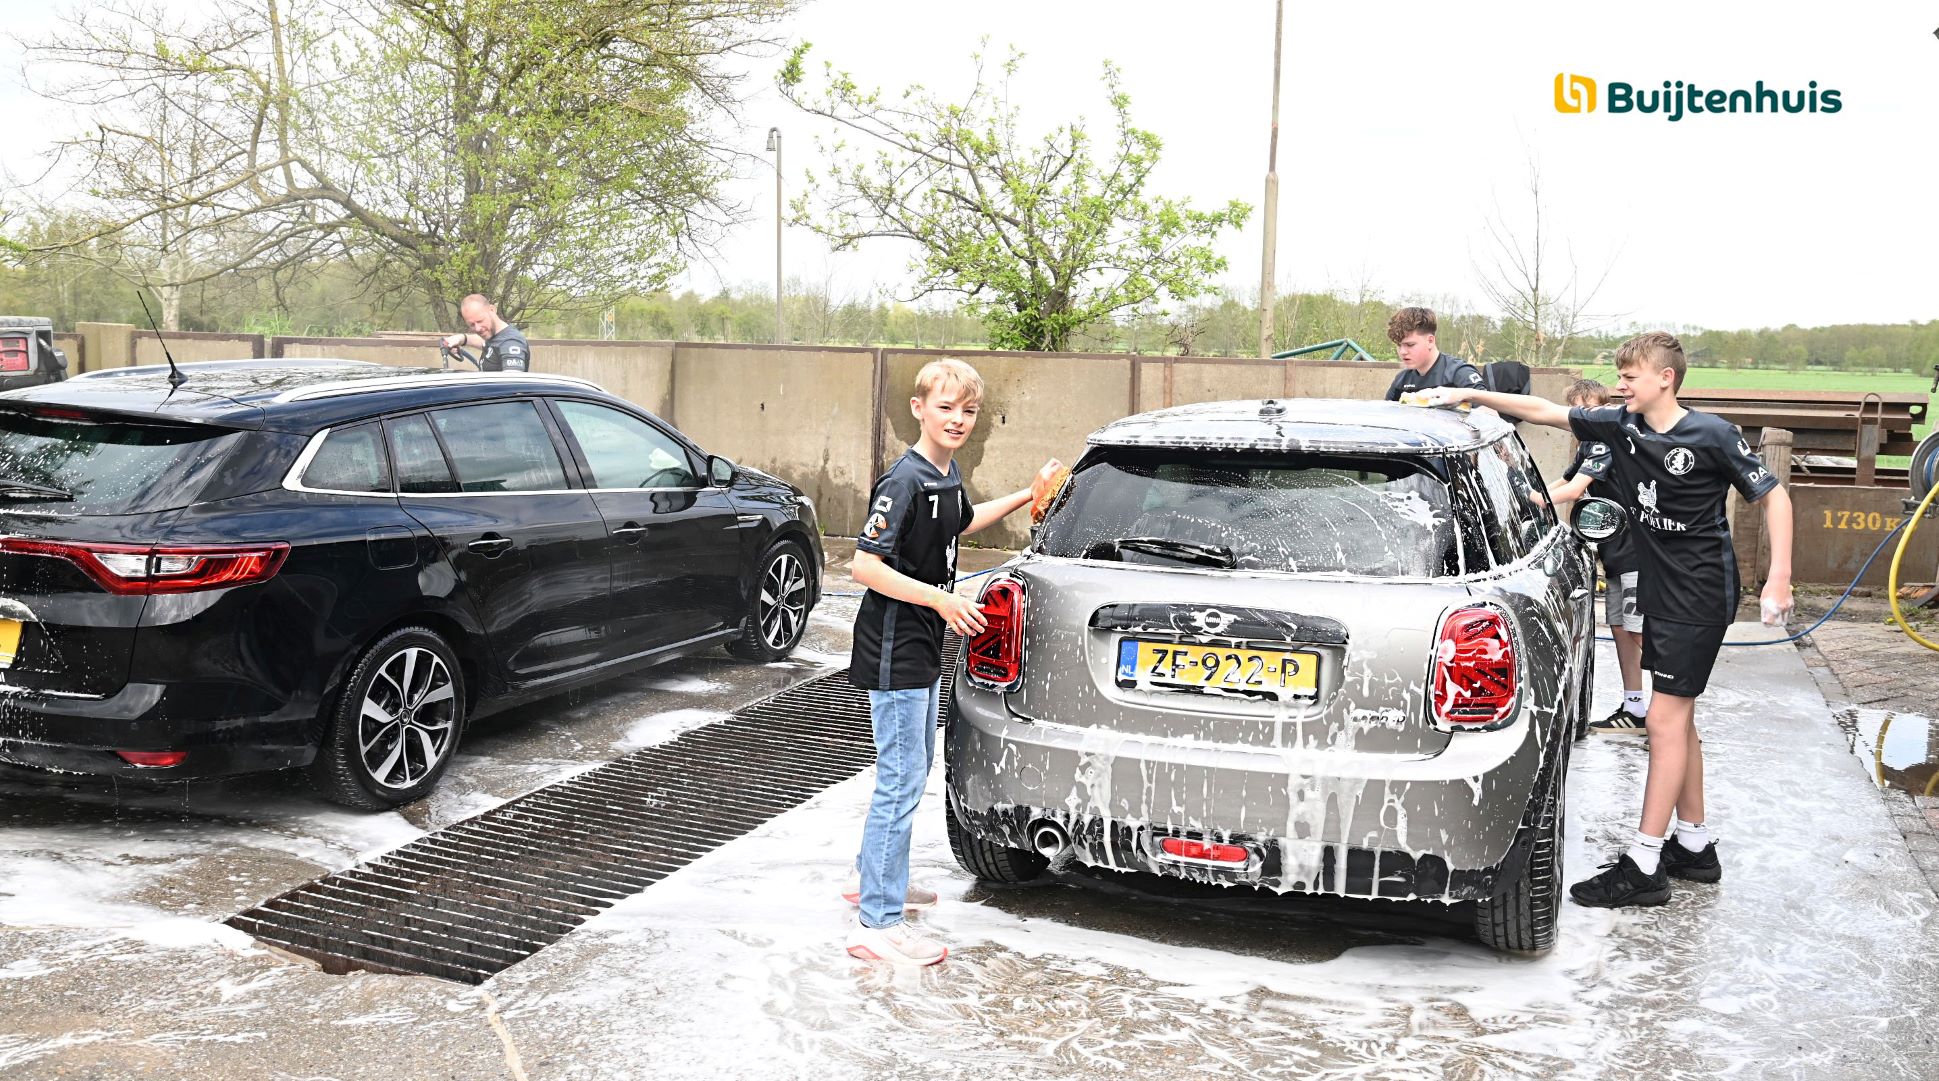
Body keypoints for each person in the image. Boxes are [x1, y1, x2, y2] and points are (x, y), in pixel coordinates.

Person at [1423, 331, 1793, 908]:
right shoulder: (1622, 425)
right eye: (1620, 375)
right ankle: (1694, 847)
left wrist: (1780, 579)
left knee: (1665, 724)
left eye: (1632, 375)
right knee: (1680, 720)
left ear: (1665, 378)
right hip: (1662, 591)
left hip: (1699, 596)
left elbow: (1774, 497)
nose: (1621, 384)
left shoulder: (1712, 434)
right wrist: (1473, 398)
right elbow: (1545, 411)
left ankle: (1644, 864)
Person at [844, 358, 1061, 966]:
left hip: (921, 641)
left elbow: (961, 522)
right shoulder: (904, 481)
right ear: (919, 409)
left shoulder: (945, 475)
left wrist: (1028, 494)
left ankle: (874, 881)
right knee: (902, 777)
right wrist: (944, 598)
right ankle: (878, 924)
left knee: (908, 770)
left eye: (968, 410)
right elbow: (863, 566)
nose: (958, 419)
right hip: (894, 647)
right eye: (945, 408)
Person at [1545, 378, 1649, 736]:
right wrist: (1529, 490)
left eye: (1590, 408)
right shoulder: (1587, 445)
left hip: (1637, 553)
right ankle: (1634, 708)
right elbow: (1563, 480)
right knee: (1620, 629)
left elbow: (1573, 490)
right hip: (1615, 553)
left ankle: (1674, 715)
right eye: (1578, 409)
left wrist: (1535, 501)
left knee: (1640, 634)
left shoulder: (1605, 444)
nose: (1584, 415)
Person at [1382, 306, 1486, 401]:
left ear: (1430, 341)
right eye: (1399, 345)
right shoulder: (1402, 380)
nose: (1402, 352)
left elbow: (1490, 413)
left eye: (1410, 345)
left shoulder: (1459, 373)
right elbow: (1386, 415)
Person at [437, 294, 530, 372]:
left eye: (480, 321)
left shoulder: (511, 343)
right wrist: (461, 338)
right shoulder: (494, 336)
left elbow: (512, 386)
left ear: (492, 310)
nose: (477, 328)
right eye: (472, 324)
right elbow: (484, 343)